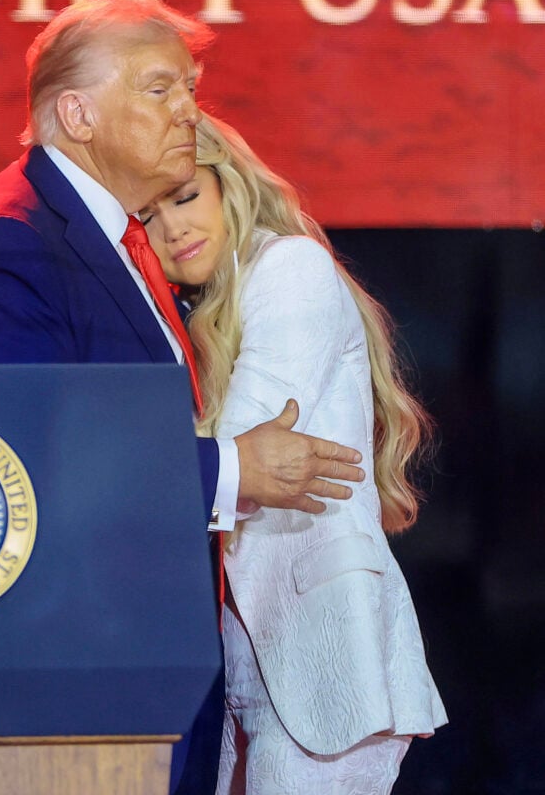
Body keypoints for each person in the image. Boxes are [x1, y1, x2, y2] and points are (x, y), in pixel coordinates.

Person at [0, 0, 365, 794]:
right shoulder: (9, 246)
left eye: (190, 87)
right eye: (160, 89)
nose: (189, 110)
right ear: (77, 114)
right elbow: (14, 473)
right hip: (67, 688)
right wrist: (227, 472)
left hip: (139, 672)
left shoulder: (109, 245)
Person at [140, 114, 448, 795]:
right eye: (147, 215)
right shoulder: (205, 311)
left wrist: (119, 462)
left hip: (322, 652)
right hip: (254, 661)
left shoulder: (288, 267)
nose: (173, 230)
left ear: (229, 187)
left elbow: (246, 443)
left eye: (186, 197)